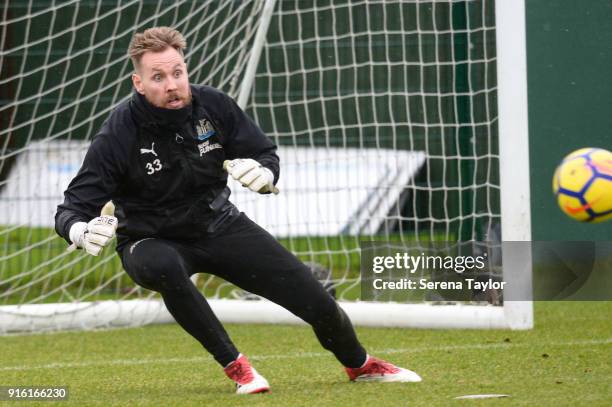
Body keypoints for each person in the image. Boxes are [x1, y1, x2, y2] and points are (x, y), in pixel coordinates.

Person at [55, 26, 421, 394]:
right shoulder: (118, 133)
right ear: (138, 83)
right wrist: (80, 231)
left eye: (178, 73)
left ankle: (359, 364)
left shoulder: (213, 106)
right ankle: (238, 366)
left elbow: (264, 153)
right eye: (158, 77)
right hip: (150, 239)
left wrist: (265, 174)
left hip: (219, 224)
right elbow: (72, 208)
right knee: (163, 266)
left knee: (317, 300)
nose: (172, 84)